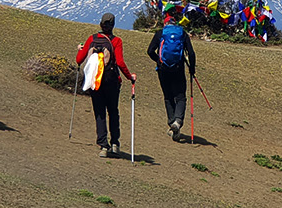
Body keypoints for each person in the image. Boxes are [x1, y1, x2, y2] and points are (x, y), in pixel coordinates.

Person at [76, 13, 137, 157]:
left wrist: (80, 49)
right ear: (113, 25)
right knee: (113, 111)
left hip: (94, 81)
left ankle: (103, 146)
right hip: (111, 81)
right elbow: (120, 63)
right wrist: (130, 77)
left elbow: (79, 60)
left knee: (99, 112)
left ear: (100, 25)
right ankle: (115, 143)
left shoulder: (92, 39)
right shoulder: (117, 41)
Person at [147, 11, 196, 141]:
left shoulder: (160, 33)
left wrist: (158, 60)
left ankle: (172, 123)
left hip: (163, 69)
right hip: (178, 69)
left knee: (168, 97)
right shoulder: (182, 34)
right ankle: (178, 122)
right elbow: (191, 53)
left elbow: (150, 51)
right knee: (180, 97)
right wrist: (192, 68)